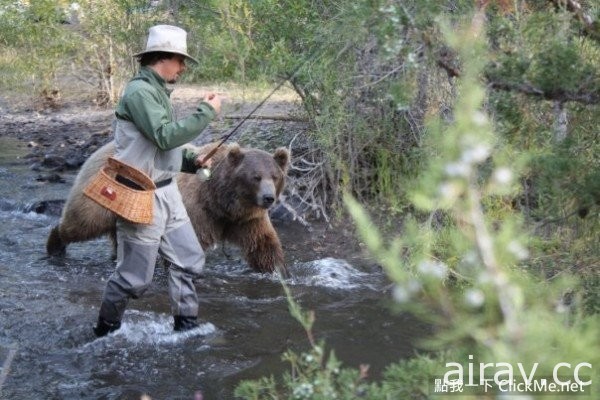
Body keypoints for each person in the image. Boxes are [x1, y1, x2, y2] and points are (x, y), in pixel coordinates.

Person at [93, 24, 222, 337]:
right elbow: (165, 137)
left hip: (168, 195)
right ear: (165, 58)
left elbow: (162, 148)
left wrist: (192, 162)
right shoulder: (139, 93)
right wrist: (206, 112)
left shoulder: (157, 92)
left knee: (188, 261)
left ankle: (186, 330)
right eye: (181, 61)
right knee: (133, 279)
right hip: (141, 198)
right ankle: (104, 335)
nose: (183, 68)